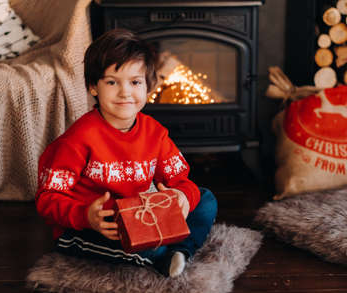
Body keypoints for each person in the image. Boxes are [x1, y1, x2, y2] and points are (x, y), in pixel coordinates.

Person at [35, 28, 217, 277]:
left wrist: (182, 196)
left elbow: (181, 181)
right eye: (112, 82)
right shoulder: (78, 140)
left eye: (135, 82)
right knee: (141, 246)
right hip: (96, 224)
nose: (125, 92)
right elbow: (47, 198)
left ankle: (178, 251)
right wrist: (86, 216)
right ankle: (165, 256)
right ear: (93, 87)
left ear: (148, 86)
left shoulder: (155, 133)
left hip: (139, 216)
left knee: (205, 199)